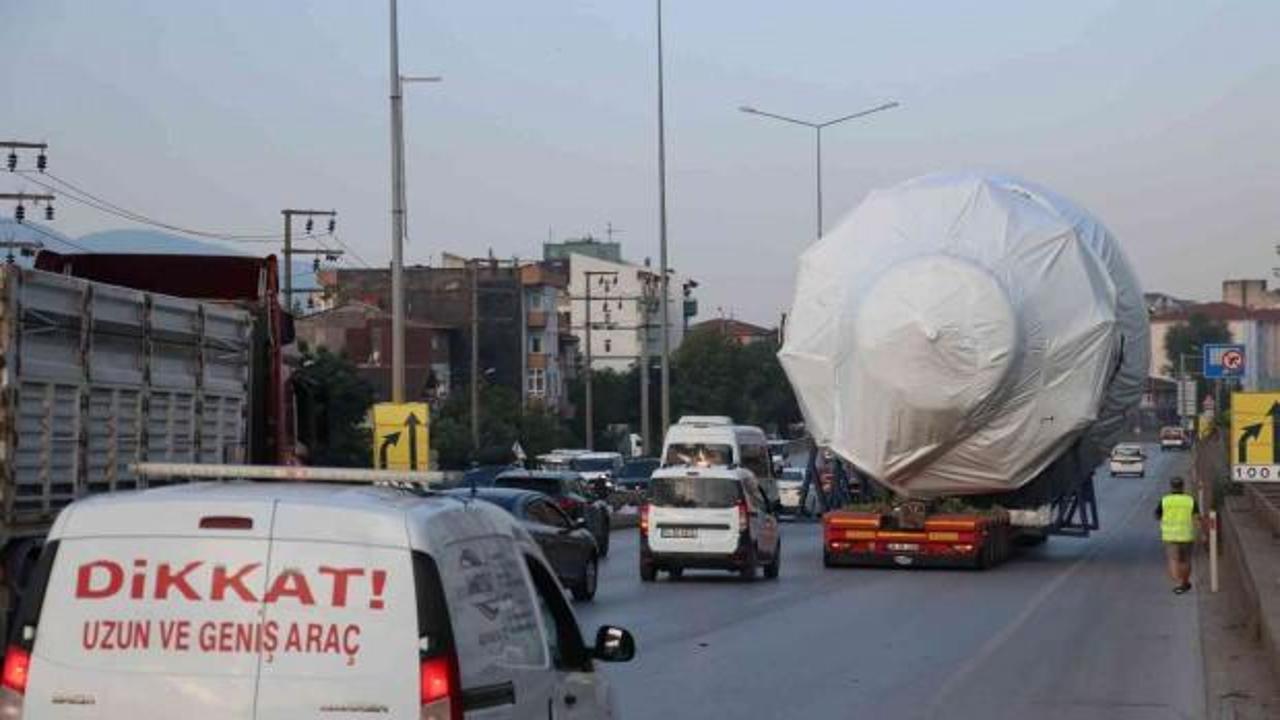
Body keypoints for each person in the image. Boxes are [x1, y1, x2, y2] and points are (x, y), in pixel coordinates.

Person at [1154, 476, 1198, 594]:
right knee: (1186, 561)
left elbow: (1157, 516)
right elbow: (1196, 518)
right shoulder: (1190, 500)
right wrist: (1202, 534)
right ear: (1183, 487)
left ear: (1171, 487)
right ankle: (1185, 582)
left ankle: (1179, 584)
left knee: (1174, 560)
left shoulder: (1165, 501)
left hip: (1170, 536)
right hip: (1186, 536)